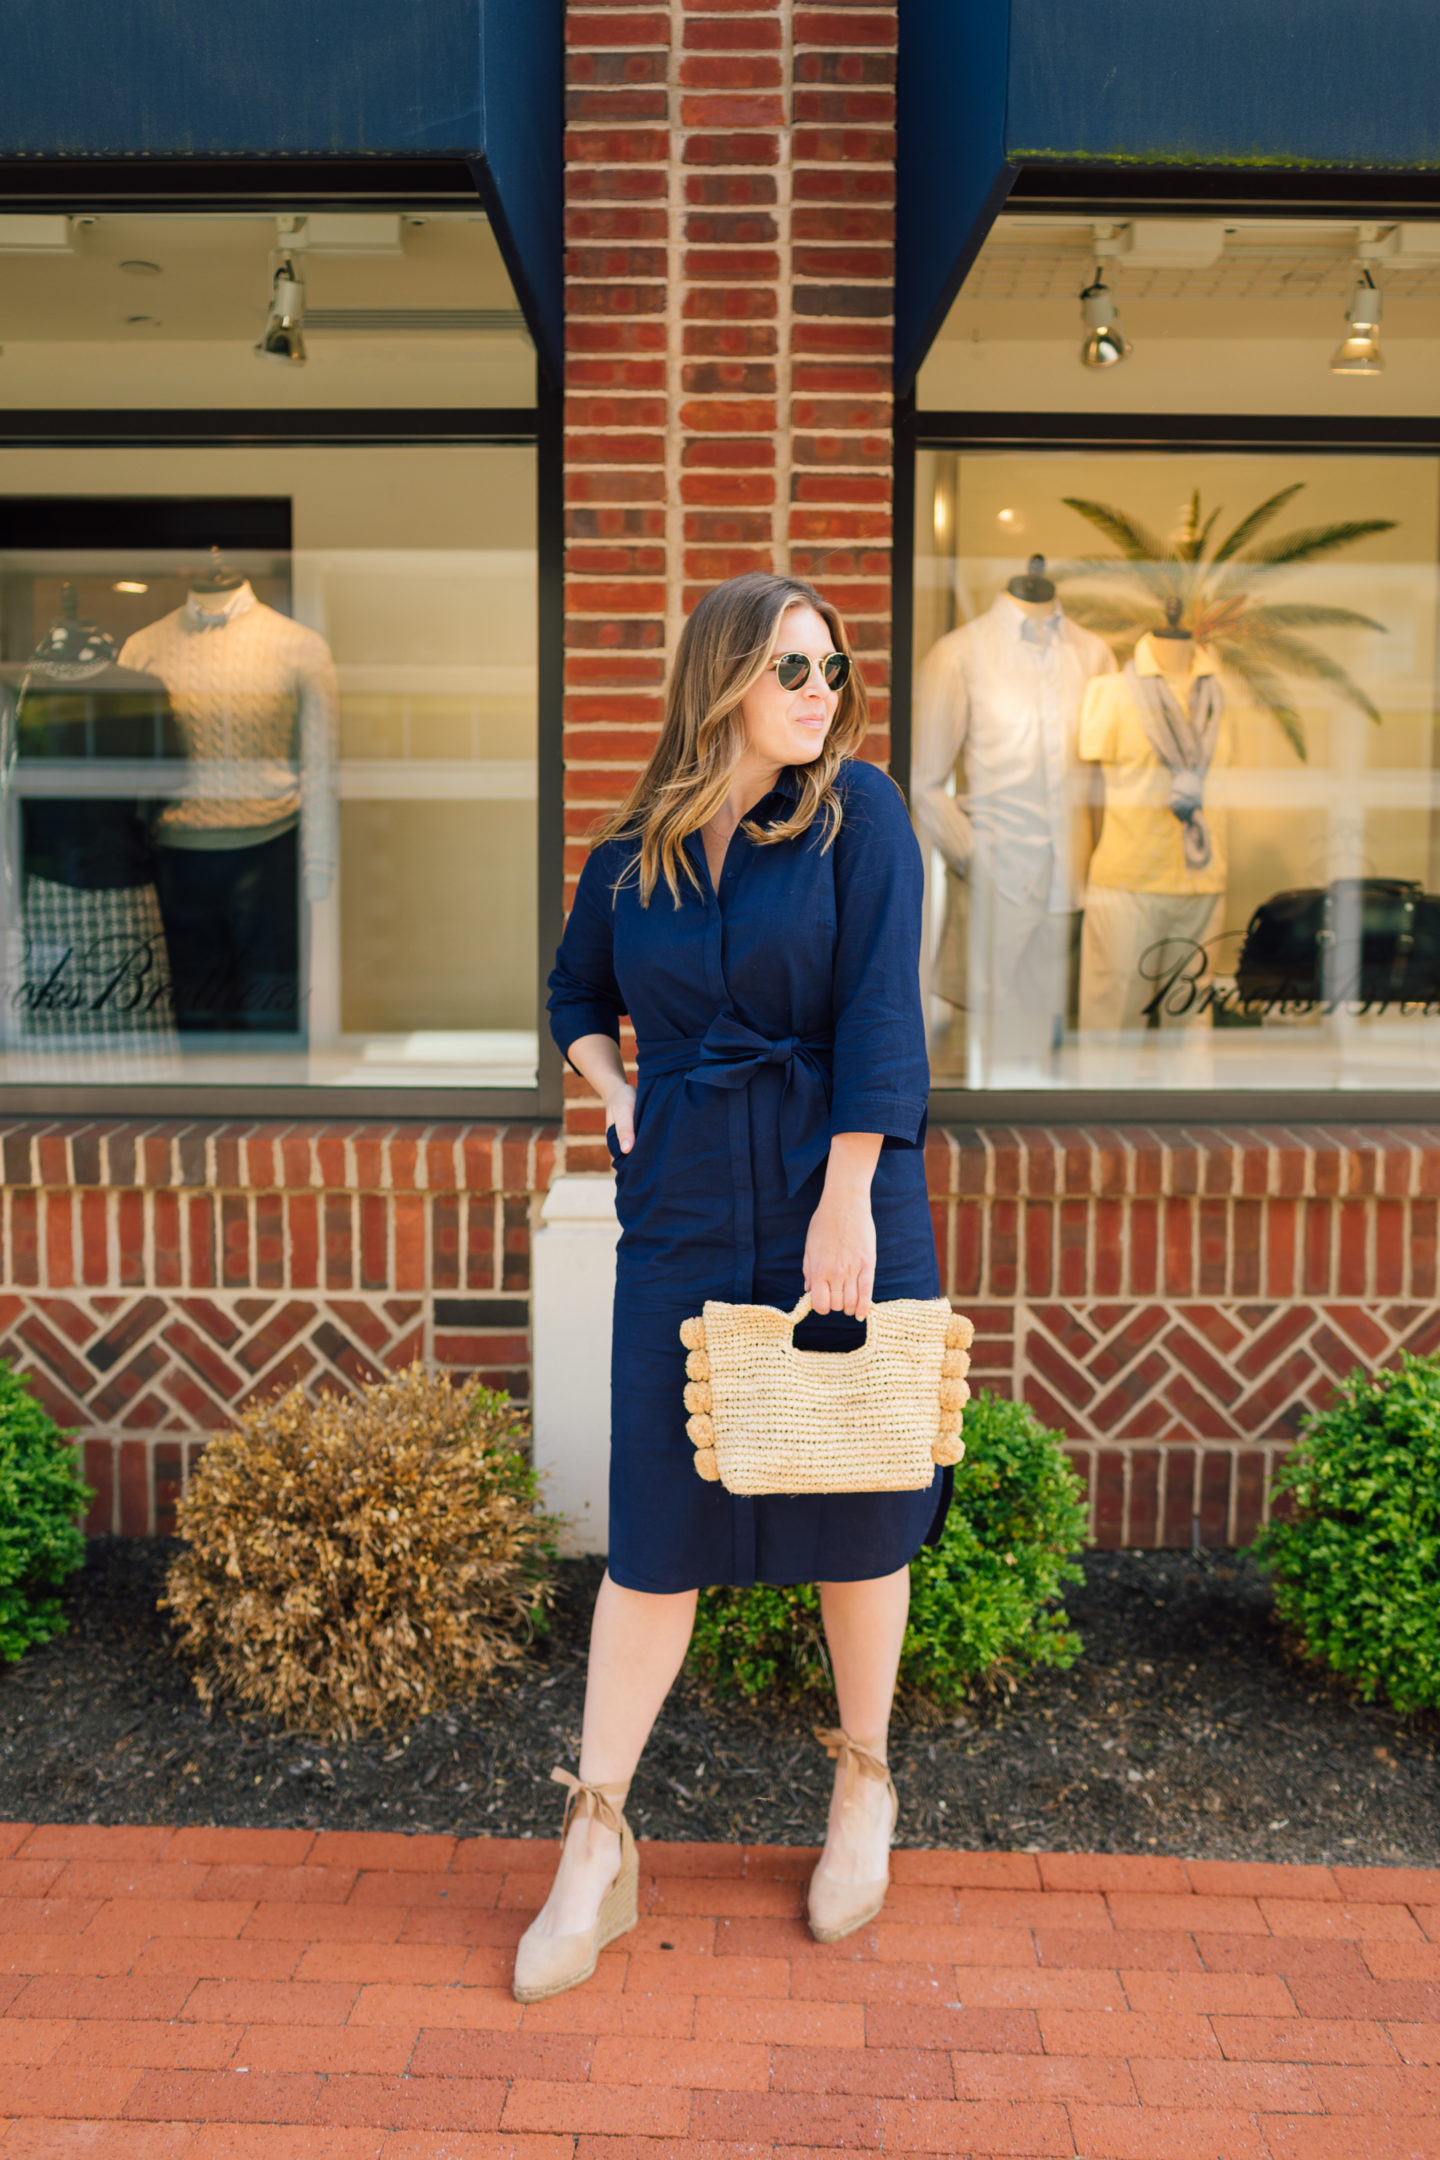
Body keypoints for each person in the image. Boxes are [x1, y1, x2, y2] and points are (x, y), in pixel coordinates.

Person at [518, 572, 946, 2004]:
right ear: (723, 681)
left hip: (843, 1197)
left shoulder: (856, 815)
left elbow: (884, 1011)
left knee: (854, 1495)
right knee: (659, 1523)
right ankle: (596, 1841)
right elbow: (576, 994)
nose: (822, 690)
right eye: (792, 667)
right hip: (689, 1203)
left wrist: (844, 1204)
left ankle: (865, 1785)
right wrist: (618, 1099)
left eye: (831, 666)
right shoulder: (635, 850)